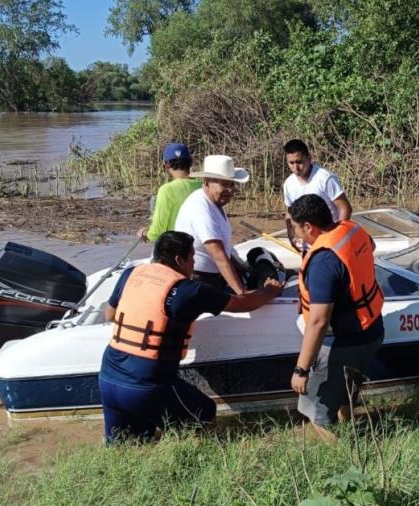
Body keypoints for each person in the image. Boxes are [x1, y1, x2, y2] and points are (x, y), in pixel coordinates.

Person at [99, 231, 283, 443]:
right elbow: (243, 304)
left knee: (128, 445)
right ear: (179, 260)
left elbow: (110, 314)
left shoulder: (131, 274)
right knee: (204, 414)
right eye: (192, 258)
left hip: (108, 378)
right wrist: (269, 290)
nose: (194, 264)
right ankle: (187, 460)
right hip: (147, 385)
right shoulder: (189, 291)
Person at [288, 194, 384, 442]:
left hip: (346, 342)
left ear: (309, 226)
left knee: (318, 412)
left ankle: (343, 462)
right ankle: (353, 432)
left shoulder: (323, 262)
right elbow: (369, 249)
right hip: (373, 329)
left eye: (297, 229)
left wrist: (301, 369)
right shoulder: (353, 229)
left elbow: (318, 322)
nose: (297, 235)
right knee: (344, 395)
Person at [174, 154, 251, 294]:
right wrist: (243, 293)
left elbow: (224, 251)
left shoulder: (215, 203)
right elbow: (219, 256)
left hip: (213, 276)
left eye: (232, 184)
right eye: (224, 184)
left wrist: (244, 269)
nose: (230, 189)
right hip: (198, 280)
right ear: (207, 182)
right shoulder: (201, 209)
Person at [282, 139, 352, 252]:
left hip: (329, 238)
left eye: (299, 162)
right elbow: (289, 214)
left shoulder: (325, 179)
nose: (296, 168)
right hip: (306, 242)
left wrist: (337, 237)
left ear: (309, 158)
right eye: (291, 163)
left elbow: (345, 208)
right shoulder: (288, 184)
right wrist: (291, 237)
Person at [138, 143, 200, 242]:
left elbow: (156, 233)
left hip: (176, 247)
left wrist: (144, 233)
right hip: (199, 243)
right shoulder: (202, 185)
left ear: (166, 165)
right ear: (190, 163)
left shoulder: (166, 190)